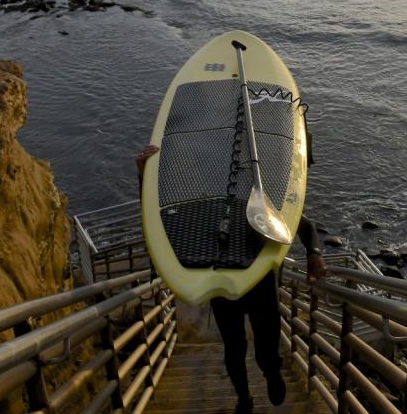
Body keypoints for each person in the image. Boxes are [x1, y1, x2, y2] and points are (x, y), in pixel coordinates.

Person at [136, 145, 326, 413]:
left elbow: (304, 226)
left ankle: (271, 372)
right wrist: (145, 176)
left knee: (267, 348)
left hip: (260, 283)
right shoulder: (197, 210)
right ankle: (244, 397)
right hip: (222, 286)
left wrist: (314, 253)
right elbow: (156, 220)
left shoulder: (259, 200)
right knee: (234, 348)